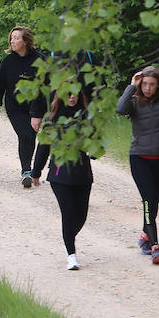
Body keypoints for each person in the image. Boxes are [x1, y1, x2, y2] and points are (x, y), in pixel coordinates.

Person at [117, 65, 159, 265]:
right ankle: (155, 246)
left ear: (158, 86)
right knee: (148, 200)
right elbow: (120, 109)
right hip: (139, 158)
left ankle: (145, 236)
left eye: (152, 84)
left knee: (153, 202)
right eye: (144, 84)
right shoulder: (134, 101)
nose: (147, 88)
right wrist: (131, 86)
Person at [41, 87, 95, 270]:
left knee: (81, 216)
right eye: (68, 93)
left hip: (83, 174)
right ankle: (71, 254)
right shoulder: (52, 119)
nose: (71, 96)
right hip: (59, 175)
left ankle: (68, 237)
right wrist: (35, 171)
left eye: (75, 93)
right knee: (68, 213)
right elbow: (43, 147)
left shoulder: (87, 116)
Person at [0, 27, 41, 187]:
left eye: (16, 38)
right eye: (11, 38)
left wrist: (39, 112)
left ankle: (32, 169)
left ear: (26, 41)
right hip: (15, 106)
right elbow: (0, 84)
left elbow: (46, 86)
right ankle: (26, 171)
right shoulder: (8, 61)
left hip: (35, 105)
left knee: (31, 136)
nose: (12, 41)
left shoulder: (40, 60)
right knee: (25, 134)